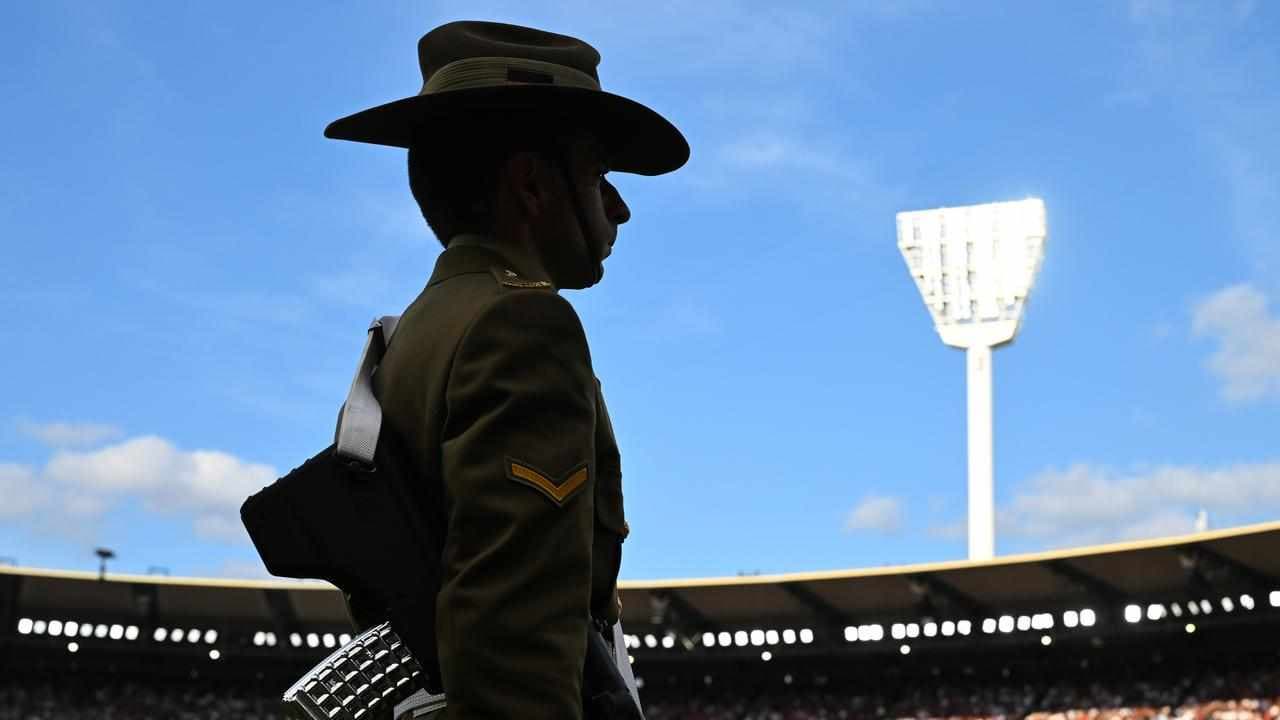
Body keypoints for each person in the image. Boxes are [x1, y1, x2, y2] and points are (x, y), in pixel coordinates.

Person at [323, 20, 689, 719]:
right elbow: (515, 640)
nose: (619, 207)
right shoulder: (522, 325)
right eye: (598, 175)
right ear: (531, 186)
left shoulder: (413, 333)